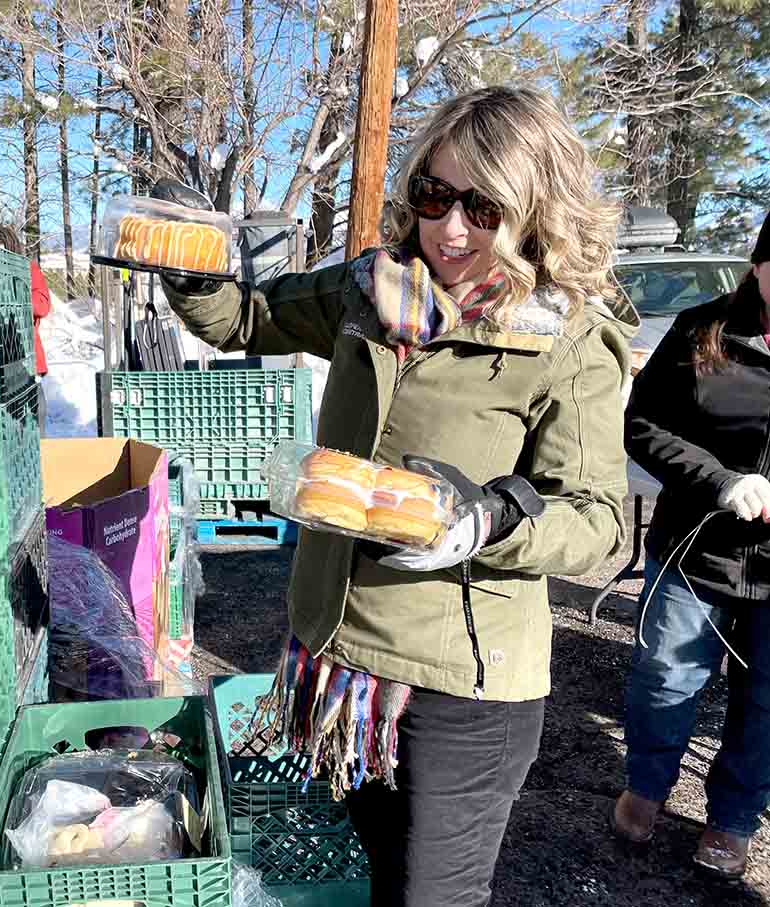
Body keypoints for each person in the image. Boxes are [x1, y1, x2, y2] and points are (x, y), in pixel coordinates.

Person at [153, 86, 636, 906]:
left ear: (535, 212)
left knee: (433, 898)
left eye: (483, 206)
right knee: (384, 876)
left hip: (459, 689)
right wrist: (191, 264)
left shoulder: (569, 339)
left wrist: (488, 518)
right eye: (435, 195)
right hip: (346, 666)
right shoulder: (369, 290)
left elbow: (603, 525)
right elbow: (249, 318)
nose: (450, 228)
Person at [615, 211, 770, 880]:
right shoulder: (700, 331)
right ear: (759, 264)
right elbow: (643, 426)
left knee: (766, 700)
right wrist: (722, 481)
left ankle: (733, 820)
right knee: (664, 680)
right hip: (695, 551)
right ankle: (646, 786)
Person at [0, 225, 52, 432]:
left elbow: (43, 304)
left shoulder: (27, 269)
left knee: (33, 418)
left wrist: (15, 297)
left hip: (24, 357)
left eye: (2, 250)